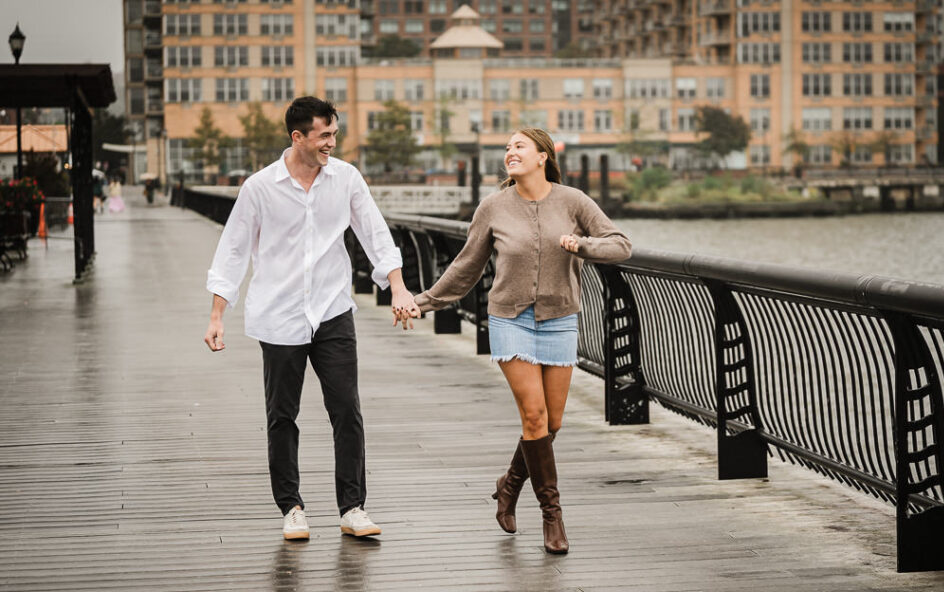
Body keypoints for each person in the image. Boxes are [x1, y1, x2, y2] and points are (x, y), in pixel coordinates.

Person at [203, 96, 418, 542]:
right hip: (279, 315)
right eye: (324, 135)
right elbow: (234, 251)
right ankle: (292, 507)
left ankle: (353, 507)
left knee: (347, 410)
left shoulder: (346, 179)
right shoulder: (260, 188)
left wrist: (397, 286)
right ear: (297, 137)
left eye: (334, 134)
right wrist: (217, 314)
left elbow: (375, 234)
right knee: (282, 414)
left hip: (332, 309)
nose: (331, 143)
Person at [407, 128, 631, 554]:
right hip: (510, 319)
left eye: (519, 146)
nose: (510, 152)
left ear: (542, 156)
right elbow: (466, 266)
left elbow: (621, 245)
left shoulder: (574, 202)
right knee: (534, 416)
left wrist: (582, 245)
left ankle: (508, 485)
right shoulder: (493, 207)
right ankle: (553, 516)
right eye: (507, 147)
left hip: (560, 319)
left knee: (552, 423)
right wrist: (425, 302)